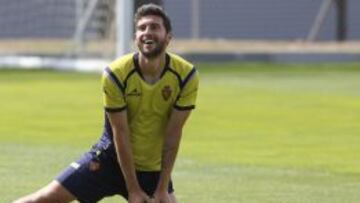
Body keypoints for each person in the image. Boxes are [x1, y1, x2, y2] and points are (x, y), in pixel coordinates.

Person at [13, 3, 199, 203]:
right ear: (135, 37)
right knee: (44, 198)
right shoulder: (116, 74)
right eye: (142, 28)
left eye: (154, 27)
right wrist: (133, 189)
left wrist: (162, 188)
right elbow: (120, 133)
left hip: (152, 168)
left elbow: (173, 135)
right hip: (109, 159)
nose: (147, 32)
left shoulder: (186, 76)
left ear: (168, 37)